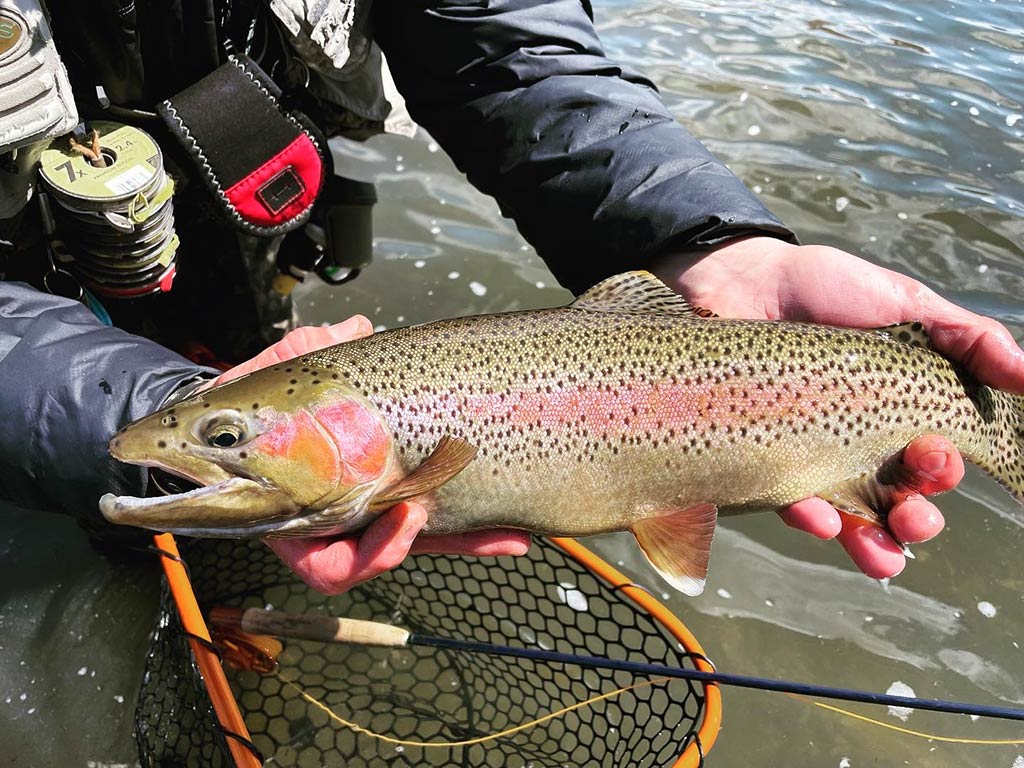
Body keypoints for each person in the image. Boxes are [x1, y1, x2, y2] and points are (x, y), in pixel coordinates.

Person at [1, 0, 1021, 597]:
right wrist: (125, 413)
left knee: (205, 470)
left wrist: (708, 240)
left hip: (241, 246)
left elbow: (511, 53)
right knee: (143, 478)